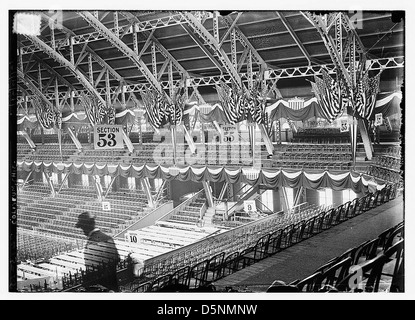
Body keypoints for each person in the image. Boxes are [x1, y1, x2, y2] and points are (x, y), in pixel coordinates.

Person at [75, 211, 120, 292]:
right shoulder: (108, 238)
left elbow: (92, 270)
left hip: (101, 288)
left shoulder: (91, 243)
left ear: (85, 227)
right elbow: (117, 259)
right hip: (113, 284)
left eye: (82, 228)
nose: (82, 231)